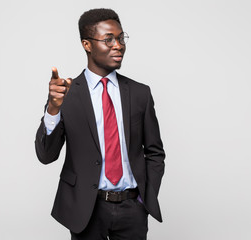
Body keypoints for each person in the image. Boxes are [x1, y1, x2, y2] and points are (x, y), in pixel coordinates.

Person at [35, 8, 165, 240]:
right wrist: (53, 109)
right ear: (87, 44)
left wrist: (145, 198)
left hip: (132, 209)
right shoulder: (66, 94)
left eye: (121, 38)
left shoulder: (140, 93)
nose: (118, 45)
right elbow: (46, 155)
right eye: (109, 39)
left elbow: (155, 153)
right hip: (86, 208)